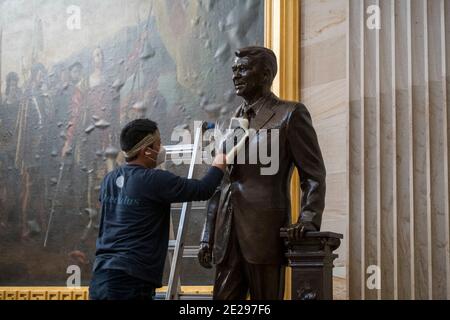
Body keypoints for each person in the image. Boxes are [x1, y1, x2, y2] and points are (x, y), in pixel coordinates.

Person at [198, 46, 326, 300]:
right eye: (234, 70)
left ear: (266, 74)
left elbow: (313, 175)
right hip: (227, 233)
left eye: (243, 69)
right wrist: (207, 234)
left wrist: (308, 219)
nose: (236, 75)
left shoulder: (290, 114)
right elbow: (221, 182)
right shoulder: (233, 121)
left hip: (264, 232)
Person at [89, 118, 226, 300]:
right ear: (147, 151)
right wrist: (220, 161)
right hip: (131, 282)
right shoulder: (154, 180)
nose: (162, 150)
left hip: (100, 278)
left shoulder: (109, 179)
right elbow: (204, 189)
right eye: (158, 145)